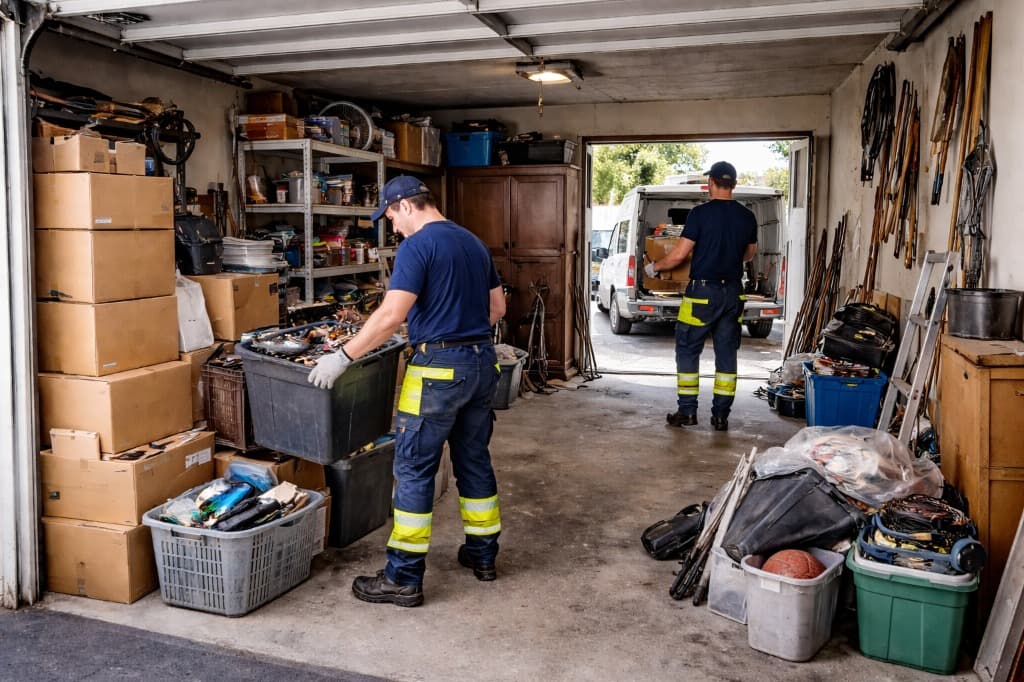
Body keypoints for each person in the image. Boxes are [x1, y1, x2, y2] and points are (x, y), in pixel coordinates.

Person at [307, 175, 506, 607]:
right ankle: (482, 555)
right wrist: (457, 330)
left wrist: (343, 356)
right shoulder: (473, 242)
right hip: (481, 363)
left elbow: (391, 314)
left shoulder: (418, 246)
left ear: (407, 206)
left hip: (436, 372)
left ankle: (402, 577)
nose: (393, 227)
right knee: (473, 459)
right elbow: (497, 309)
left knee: (414, 468)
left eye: (391, 216)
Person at [643, 161, 757, 432]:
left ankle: (687, 412)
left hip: (702, 294)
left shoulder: (699, 215)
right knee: (727, 354)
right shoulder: (747, 217)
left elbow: (680, 255)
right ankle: (720, 417)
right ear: (735, 184)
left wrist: (654, 267)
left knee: (687, 348)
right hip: (732, 292)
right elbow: (749, 255)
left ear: (710, 185)